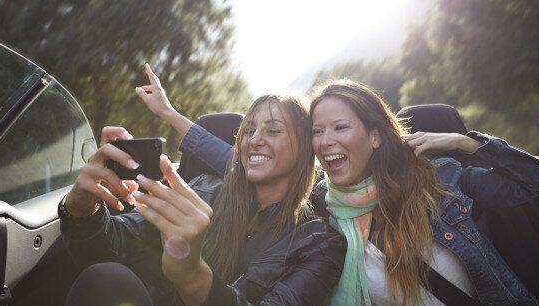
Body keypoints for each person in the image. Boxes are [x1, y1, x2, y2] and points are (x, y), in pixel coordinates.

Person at [148, 78, 539, 304]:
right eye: (317, 132)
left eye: (340, 128)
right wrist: (171, 116)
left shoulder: (442, 183)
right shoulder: (318, 212)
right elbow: (245, 161)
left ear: (376, 136)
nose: (325, 142)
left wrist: (469, 144)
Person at [59, 64, 346, 305]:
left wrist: (192, 274)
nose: (255, 139)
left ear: (306, 150)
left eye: (273, 130)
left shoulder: (320, 244)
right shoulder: (203, 189)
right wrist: (84, 209)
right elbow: (107, 247)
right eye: (248, 130)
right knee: (105, 278)